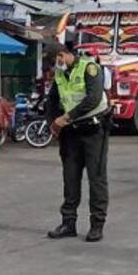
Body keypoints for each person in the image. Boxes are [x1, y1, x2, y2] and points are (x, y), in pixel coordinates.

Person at [46, 43, 110, 242]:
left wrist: (64, 119)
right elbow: (52, 100)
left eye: (55, 61)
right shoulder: (60, 74)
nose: (55, 66)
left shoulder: (90, 68)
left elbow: (93, 99)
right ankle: (68, 223)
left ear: (62, 55)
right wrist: (52, 123)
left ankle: (96, 225)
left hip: (94, 130)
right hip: (70, 133)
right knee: (70, 178)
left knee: (96, 178)